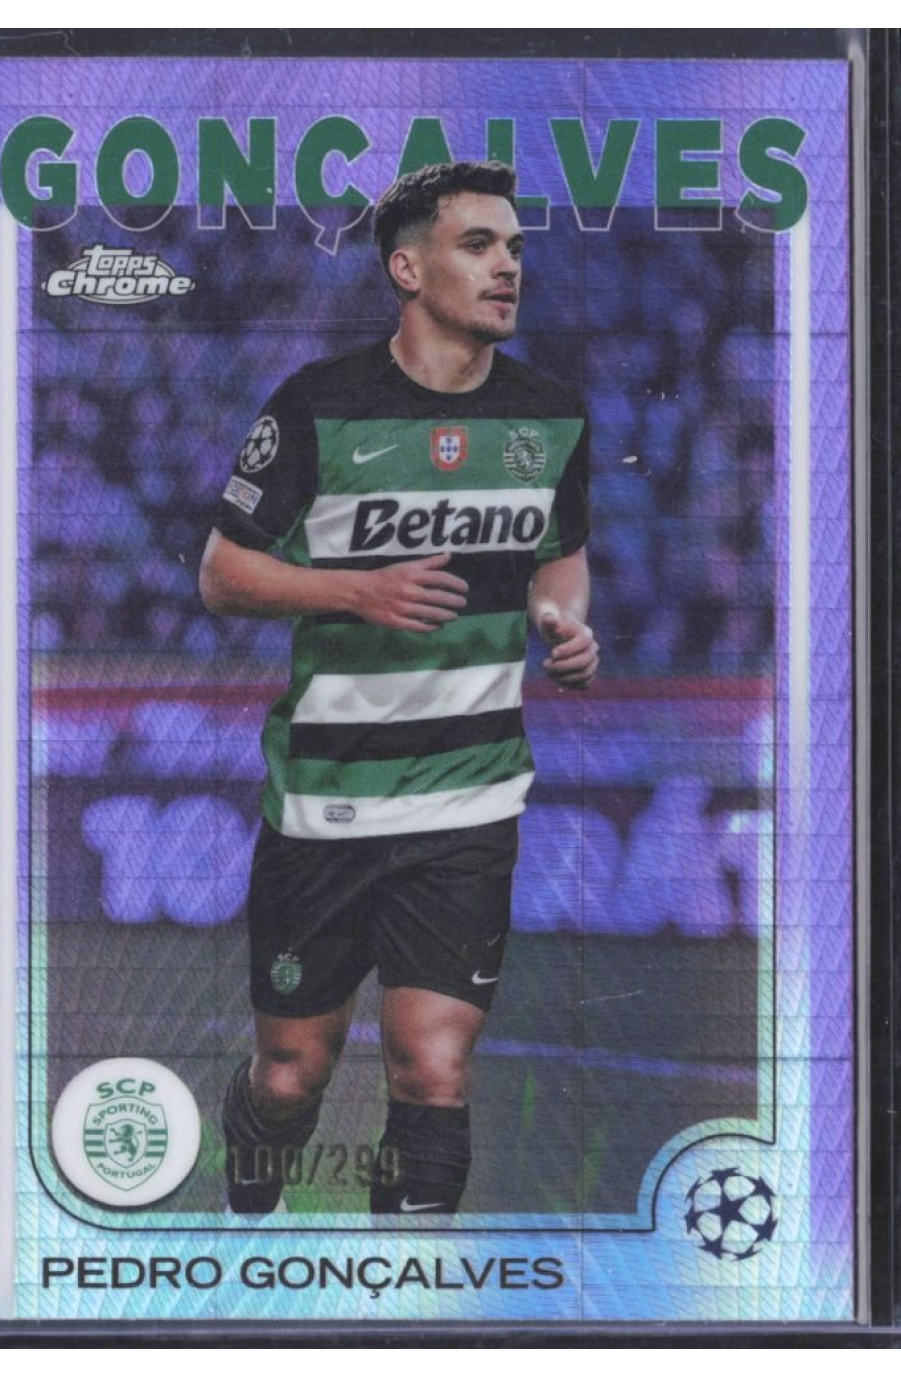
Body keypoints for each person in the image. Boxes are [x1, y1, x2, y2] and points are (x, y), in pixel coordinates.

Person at [199, 160, 598, 1216]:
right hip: (327, 805)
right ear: (407, 269)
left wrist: (562, 619)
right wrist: (357, 591)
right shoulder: (319, 405)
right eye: (479, 245)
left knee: (433, 1066)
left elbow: (560, 555)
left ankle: (399, 1287)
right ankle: (253, 1141)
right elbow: (223, 573)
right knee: (292, 1076)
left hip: (469, 800)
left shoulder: (551, 417)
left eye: (515, 248)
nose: (508, 266)